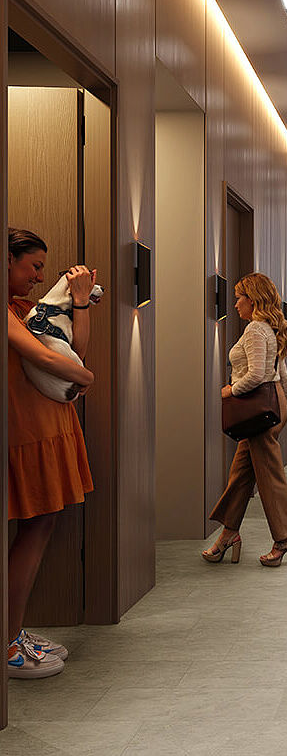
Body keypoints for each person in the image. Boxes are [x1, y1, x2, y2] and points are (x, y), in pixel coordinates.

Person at [7, 228, 96, 678]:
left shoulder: (26, 310)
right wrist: (86, 378)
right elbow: (47, 360)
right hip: (24, 435)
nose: (39, 277)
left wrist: (80, 302)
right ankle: (6, 641)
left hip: (48, 430)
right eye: (33, 266)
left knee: (39, 528)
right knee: (34, 528)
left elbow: (77, 350)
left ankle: (12, 630)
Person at [203, 273, 287, 567]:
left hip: (258, 407)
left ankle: (286, 538)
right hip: (273, 403)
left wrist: (229, 391)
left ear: (253, 300)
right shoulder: (270, 329)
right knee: (241, 473)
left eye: (240, 298)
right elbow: (280, 371)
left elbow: (257, 375)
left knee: (270, 475)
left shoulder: (255, 330)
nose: (235, 304)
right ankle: (229, 534)